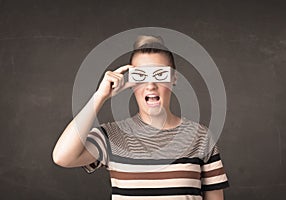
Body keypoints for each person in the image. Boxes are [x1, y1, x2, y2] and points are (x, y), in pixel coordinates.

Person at [52, 35, 229, 200]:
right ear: (131, 81)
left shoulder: (200, 137)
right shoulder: (113, 135)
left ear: (174, 78)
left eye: (160, 75)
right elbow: (62, 157)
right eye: (141, 76)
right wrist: (100, 96)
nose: (151, 85)